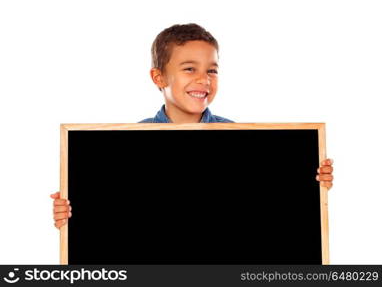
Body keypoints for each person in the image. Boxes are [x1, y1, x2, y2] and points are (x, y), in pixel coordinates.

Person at [51, 23, 334, 229]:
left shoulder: (240, 138)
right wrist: (70, 215)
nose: (204, 79)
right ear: (159, 77)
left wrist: (313, 182)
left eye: (211, 70)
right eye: (189, 69)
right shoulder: (131, 141)